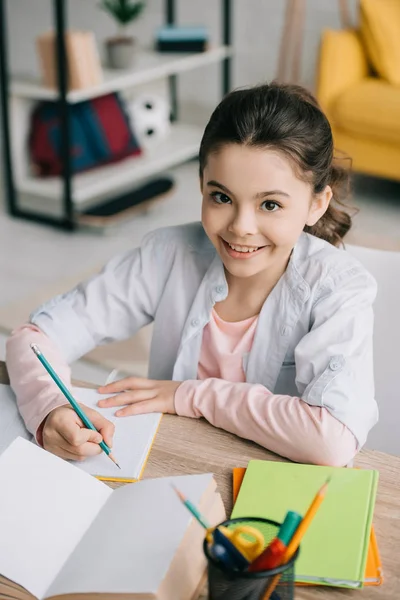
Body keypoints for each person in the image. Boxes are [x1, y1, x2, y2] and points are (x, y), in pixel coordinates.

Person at [6, 82, 378, 467]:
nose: (241, 227)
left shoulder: (338, 288)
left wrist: (191, 395)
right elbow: (34, 337)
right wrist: (50, 408)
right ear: (201, 185)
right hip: (169, 463)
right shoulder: (168, 255)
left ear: (316, 205)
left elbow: (332, 439)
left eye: (270, 204)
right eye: (221, 197)